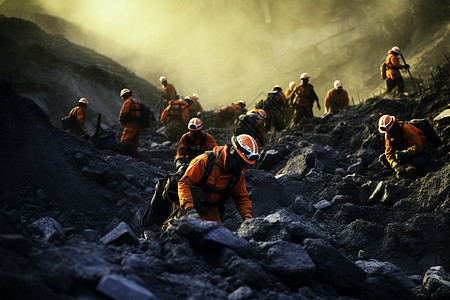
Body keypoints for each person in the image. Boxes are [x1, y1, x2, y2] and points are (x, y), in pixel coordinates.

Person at [178, 134, 259, 223]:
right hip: (187, 208)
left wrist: (247, 217)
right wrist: (190, 209)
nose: (243, 166)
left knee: (214, 235)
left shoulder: (237, 175)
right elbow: (184, 184)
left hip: (211, 212)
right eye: (242, 162)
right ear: (233, 153)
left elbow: (242, 198)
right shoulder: (204, 161)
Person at [378, 115, 432, 179]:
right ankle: (406, 169)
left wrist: (405, 153)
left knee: (418, 162)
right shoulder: (388, 134)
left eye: (389, 130)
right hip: (407, 152)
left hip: (422, 150)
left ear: (393, 126)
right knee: (383, 158)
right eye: (387, 131)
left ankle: (422, 170)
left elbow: (419, 146)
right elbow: (388, 153)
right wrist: (396, 166)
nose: (388, 133)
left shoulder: (406, 129)